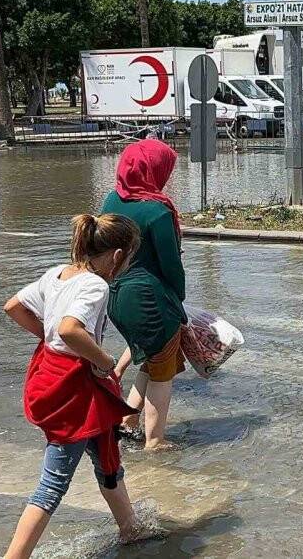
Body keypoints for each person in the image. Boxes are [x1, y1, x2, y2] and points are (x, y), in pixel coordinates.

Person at [3, 214, 145, 558]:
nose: (125, 266)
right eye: (128, 259)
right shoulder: (96, 285)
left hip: (52, 373)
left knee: (106, 453)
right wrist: (105, 362)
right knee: (53, 483)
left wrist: (46, 335)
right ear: (116, 256)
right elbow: (69, 329)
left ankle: (130, 529)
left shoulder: (57, 273)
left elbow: (14, 307)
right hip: (74, 386)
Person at [101, 139, 187, 451]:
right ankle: (155, 441)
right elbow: (171, 265)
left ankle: (127, 421)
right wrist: (179, 297)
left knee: (152, 361)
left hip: (117, 298)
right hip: (151, 301)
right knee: (163, 373)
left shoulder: (111, 201)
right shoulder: (157, 212)